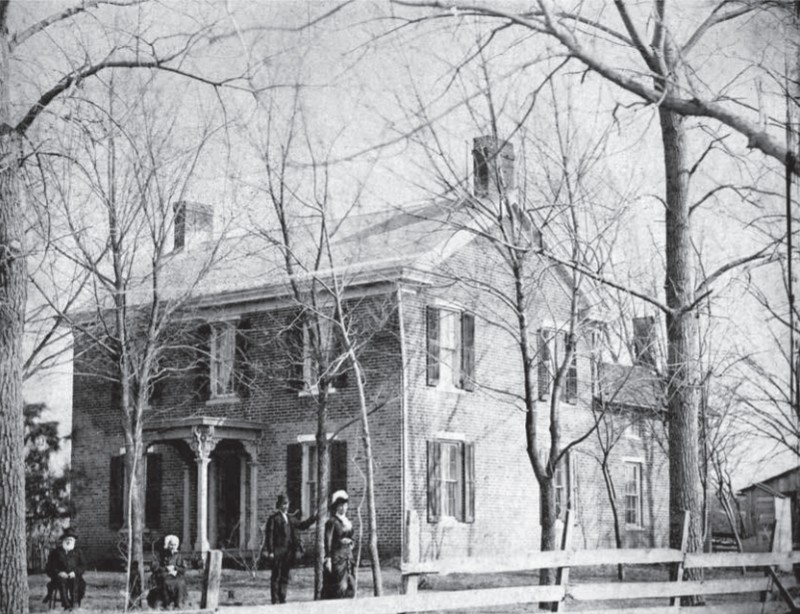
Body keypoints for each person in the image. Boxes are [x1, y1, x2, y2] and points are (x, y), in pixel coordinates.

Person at [263, 493, 316, 604]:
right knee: (276, 575)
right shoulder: (274, 519)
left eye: (287, 504)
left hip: (288, 553)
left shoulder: (290, 518)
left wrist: (313, 517)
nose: (285, 506)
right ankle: (275, 599)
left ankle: (282, 598)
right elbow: (270, 536)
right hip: (277, 552)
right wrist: (271, 551)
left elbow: (302, 525)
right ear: (279, 505)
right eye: (283, 504)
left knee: (285, 575)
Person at [321, 490, 355, 600]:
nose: (343, 508)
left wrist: (350, 542)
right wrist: (328, 559)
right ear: (336, 507)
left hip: (348, 558)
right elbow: (328, 541)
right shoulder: (332, 522)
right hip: (337, 558)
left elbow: (352, 538)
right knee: (339, 586)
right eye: (340, 506)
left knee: (351, 585)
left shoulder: (347, 522)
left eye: (345, 505)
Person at [45, 527, 86, 610]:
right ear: (63, 540)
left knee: (77, 582)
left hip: (74, 575)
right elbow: (50, 566)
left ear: (74, 541)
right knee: (61, 581)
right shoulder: (56, 552)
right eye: (66, 539)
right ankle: (66, 605)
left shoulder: (78, 552)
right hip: (60, 576)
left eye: (71, 539)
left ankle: (74, 603)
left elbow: (83, 566)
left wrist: (75, 572)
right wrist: (58, 572)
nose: (68, 541)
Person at [148, 534, 187, 610]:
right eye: (171, 545)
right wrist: (166, 568)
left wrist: (175, 568)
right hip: (164, 574)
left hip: (175, 575)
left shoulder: (179, 555)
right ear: (168, 545)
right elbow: (155, 567)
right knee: (165, 582)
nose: (173, 547)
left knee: (181, 582)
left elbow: (183, 569)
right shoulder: (162, 554)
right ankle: (167, 603)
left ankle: (178, 603)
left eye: (175, 545)